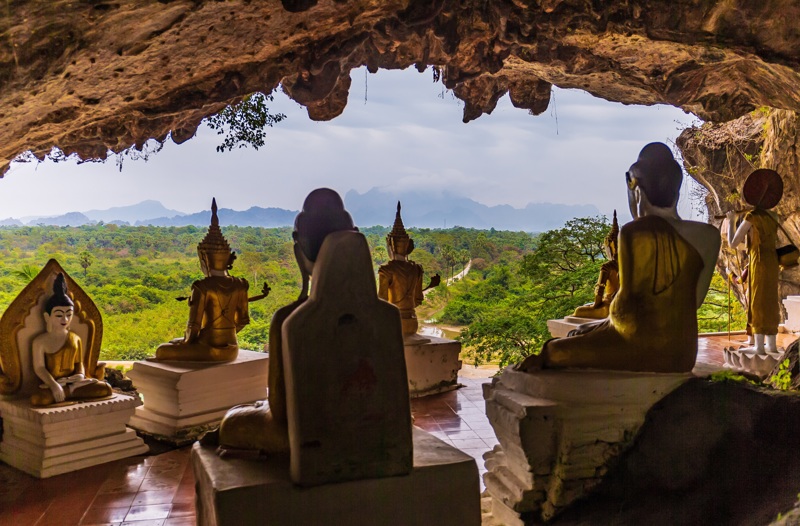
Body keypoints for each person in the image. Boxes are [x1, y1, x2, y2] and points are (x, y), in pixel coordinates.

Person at [518, 143, 720, 373]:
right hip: (683, 353)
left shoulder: (634, 232)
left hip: (638, 347)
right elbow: (694, 302)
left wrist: (601, 327)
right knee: (581, 333)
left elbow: (627, 309)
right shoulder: (709, 236)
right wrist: (598, 327)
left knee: (554, 350)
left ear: (635, 189)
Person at [217, 188, 357, 454]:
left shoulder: (289, 319)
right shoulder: (385, 314)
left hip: (311, 437)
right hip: (367, 429)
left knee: (231, 423)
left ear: (298, 249)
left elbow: (281, 412)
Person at [155, 198, 267, 362]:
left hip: (208, 348)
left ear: (205, 259)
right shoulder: (240, 285)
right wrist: (225, 335)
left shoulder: (202, 287)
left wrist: (186, 342)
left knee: (161, 351)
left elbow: (194, 326)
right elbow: (243, 321)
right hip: (231, 348)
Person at [30, 273, 112, 406]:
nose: (65, 320)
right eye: (59, 315)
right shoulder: (40, 341)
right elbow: (39, 368)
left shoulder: (75, 338)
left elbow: (79, 364)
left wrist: (80, 375)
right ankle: (64, 392)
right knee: (38, 399)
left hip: (74, 383)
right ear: (47, 317)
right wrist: (54, 385)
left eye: (69, 315)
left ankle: (68, 392)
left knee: (106, 389)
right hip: (52, 384)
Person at [726, 169, 784, 355]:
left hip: (758, 261)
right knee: (770, 301)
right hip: (772, 261)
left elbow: (733, 243)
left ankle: (759, 347)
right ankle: (772, 344)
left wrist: (731, 221)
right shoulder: (773, 217)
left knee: (758, 301)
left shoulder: (751, 217)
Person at [378, 202, 439, 338]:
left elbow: (381, 301)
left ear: (391, 245)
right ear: (407, 246)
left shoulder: (386, 271)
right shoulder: (416, 269)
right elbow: (417, 299)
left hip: (393, 324)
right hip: (412, 322)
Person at [572, 211, 620, 319]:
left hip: (609, 306)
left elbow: (600, 289)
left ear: (609, 247)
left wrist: (595, 305)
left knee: (578, 311)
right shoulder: (628, 265)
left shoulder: (608, 266)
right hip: (625, 305)